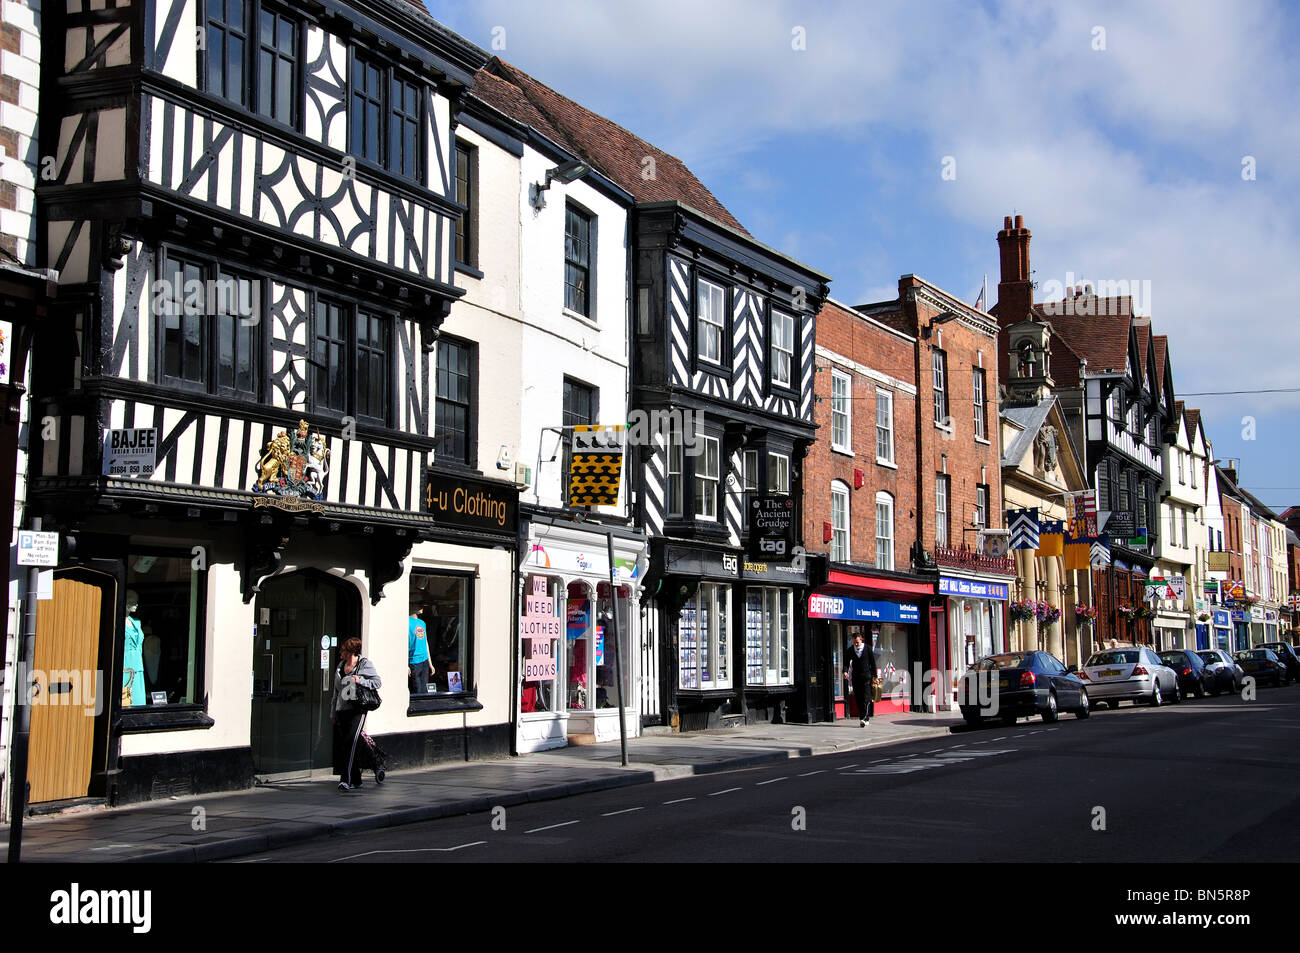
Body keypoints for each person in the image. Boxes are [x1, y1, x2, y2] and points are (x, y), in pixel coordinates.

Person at [332, 638, 383, 792]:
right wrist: (333, 712)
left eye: (343, 651)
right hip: (342, 710)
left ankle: (345, 780)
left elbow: (377, 682)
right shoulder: (341, 667)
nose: (341, 653)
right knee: (346, 745)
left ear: (351, 652)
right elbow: (336, 692)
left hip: (358, 710)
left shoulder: (364, 664)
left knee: (350, 743)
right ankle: (357, 779)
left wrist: (359, 680)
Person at [843, 632, 878, 726]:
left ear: (861, 639)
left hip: (867, 677)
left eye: (857, 642)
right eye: (854, 642)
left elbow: (873, 664)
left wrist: (875, 677)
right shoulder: (850, 650)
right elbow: (846, 662)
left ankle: (863, 718)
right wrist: (845, 671)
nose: (855, 644)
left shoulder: (868, 649)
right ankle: (864, 718)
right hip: (856, 677)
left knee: (866, 698)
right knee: (858, 698)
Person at [122, 590, 146, 707]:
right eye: (133, 601)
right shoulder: (117, 621)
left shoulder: (136, 623)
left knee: (139, 701)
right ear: (125, 601)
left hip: (138, 667)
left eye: (137, 601)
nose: (136, 604)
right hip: (124, 666)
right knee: (125, 700)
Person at [408, 602, 435, 695]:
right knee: (417, 689)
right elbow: (403, 643)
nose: (422, 607)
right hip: (413, 661)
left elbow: (425, 642)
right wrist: (405, 664)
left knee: (424, 689)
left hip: (424, 660)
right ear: (411, 606)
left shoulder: (422, 623)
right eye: (419, 605)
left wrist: (430, 663)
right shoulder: (406, 622)